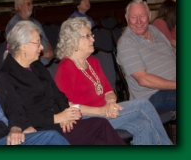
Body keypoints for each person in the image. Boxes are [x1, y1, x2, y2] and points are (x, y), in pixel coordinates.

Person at [1, 20, 125, 145]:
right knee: (99, 127)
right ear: (23, 46)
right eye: (38, 43)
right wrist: (58, 117)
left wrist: (65, 113)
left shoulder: (37, 66)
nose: (42, 47)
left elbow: (58, 95)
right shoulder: (7, 75)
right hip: (43, 128)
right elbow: (21, 112)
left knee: (100, 130)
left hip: (62, 122)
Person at [54, 17, 172, 145]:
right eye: (87, 36)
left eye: (91, 35)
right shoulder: (66, 67)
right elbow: (67, 105)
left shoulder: (93, 62)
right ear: (72, 41)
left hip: (106, 111)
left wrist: (110, 103)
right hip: (87, 119)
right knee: (143, 105)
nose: (93, 39)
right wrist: (101, 111)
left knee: (143, 125)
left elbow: (109, 91)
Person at [0, 20, 69, 145]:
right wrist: (12, 126)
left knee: (52, 136)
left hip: (11, 135)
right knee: (52, 137)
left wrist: (17, 127)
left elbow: (16, 106)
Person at [117, 0, 176, 111]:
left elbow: (172, 56)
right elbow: (143, 80)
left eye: (142, 16)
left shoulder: (154, 30)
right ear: (126, 18)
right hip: (151, 96)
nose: (138, 21)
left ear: (149, 15)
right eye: (134, 17)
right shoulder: (126, 43)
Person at [5, 0, 54, 65]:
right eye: (28, 4)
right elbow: (17, 50)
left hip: (46, 64)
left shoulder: (35, 23)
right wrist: (42, 54)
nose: (32, 6)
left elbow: (46, 42)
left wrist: (51, 52)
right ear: (20, 6)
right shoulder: (14, 25)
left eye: (32, 3)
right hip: (30, 65)